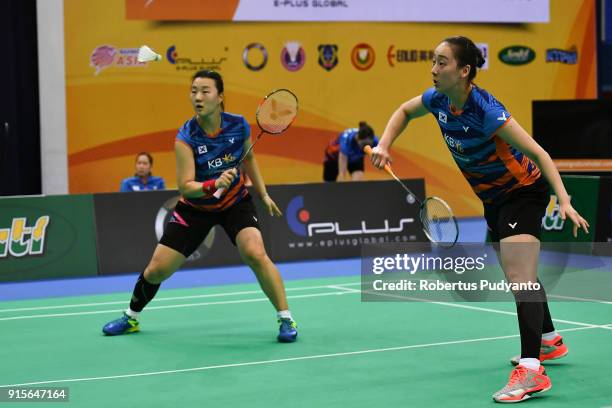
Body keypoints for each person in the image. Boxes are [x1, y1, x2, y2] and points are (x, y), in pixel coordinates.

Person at [370, 36, 589, 403]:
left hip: (522, 194)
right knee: (519, 277)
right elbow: (404, 111)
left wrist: (563, 200)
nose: (433, 69)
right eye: (433, 61)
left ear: (464, 70)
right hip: (493, 199)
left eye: (441, 62)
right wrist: (384, 144)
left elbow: (539, 153)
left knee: (521, 279)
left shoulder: (487, 111)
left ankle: (533, 372)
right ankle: (549, 341)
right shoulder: (438, 100)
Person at [103, 70, 298, 342]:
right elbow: (185, 187)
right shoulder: (186, 136)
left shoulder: (239, 125)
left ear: (220, 97)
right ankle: (131, 316)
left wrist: (263, 194)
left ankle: (286, 319)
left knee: (255, 252)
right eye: (194, 91)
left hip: (235, 202)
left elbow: (249, 159)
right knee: (157, 269)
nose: (198, 97)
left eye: (205, 91)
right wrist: (212, 184)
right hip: (195, 208)